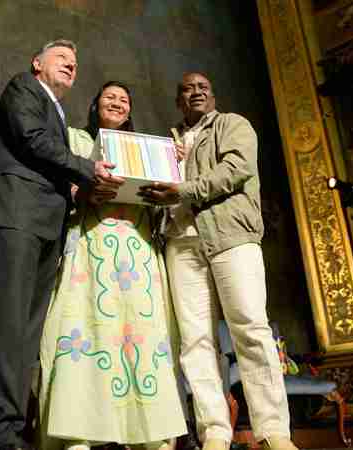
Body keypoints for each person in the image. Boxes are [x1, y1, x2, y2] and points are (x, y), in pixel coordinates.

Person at [0, 39, 120, 450]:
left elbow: (47, 161)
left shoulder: (56, 109)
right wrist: (87, 168)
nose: (71, 65)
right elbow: (32, 139)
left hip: (44, 225)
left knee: (27, 333)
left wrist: (76, 191)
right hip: (15, 217)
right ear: (37, 63)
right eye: (62, 58)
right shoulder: (23, 87)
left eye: (75, 62)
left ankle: (10, 429)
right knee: (11, 327)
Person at [139, 72, 298, 450]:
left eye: (203, 87)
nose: (196, 92)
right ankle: (214, 432)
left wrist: (182, 189)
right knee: (194, 341)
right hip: (181, 243)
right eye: (187, 89)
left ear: (212, 96)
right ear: (178, 101)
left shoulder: (232, 124)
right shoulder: (168, 142)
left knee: (250, 329)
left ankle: (273, 431)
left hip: (230, 237)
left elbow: (236, 169)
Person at [39, 82, 186, 450]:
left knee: (142, 335)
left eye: (124, 99)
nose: (117, 103)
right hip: (89, 247)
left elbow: (165, 202)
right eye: (109, 97)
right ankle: (78, 433)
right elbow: (58, 185)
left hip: (137, 251)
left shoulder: (146, 149)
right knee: (85, 328)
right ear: (95, 106)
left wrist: (172, 167)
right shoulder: (75, 139)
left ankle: (149, 434)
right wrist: (83, 191)